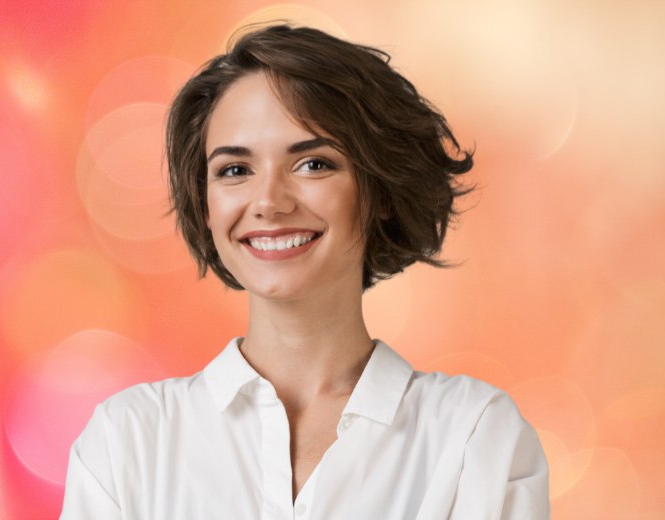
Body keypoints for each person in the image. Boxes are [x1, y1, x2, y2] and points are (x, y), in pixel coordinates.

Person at [61, 24, 550, 519]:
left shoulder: (473, 436)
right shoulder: (127, 441)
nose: (269, 203)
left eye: (313, 164)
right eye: (235, 170)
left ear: (377, 189)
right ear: (205, 204)